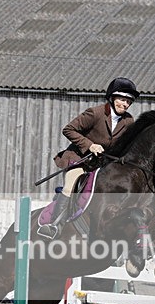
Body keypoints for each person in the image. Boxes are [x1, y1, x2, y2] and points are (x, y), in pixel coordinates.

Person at [38, 77, 139, 238]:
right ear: (112, 98)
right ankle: (55, 225)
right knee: (70, 185)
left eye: (128, 102)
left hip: (101, 164)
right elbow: (69, 129)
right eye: (122, 100)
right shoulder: (95, 113)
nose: (125, 104)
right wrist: (90, 145)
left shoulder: (128, 121)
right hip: (79, 159)